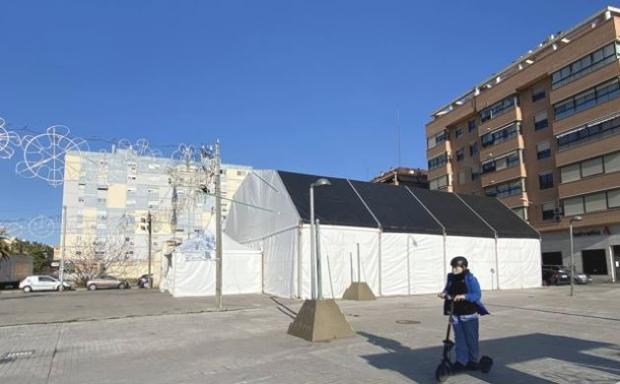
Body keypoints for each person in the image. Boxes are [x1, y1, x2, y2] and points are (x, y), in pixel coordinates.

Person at [438, 256, 489, 371]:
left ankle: (473, 361)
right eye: (453, 267)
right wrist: (443, 294)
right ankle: (461, 361)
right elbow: (448, 289)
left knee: (471, 338)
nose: (454, 270)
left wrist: (464, 296)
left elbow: (477, 294)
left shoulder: (470, 278)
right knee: (459, 338)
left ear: (464, 267)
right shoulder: (451, 277)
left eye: (456, 268)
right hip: (455, 312)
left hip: (468, 313)